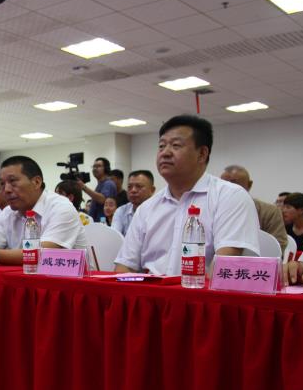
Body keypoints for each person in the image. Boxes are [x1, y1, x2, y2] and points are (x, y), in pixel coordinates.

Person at [114, 115, 259, 275]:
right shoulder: (147, 208)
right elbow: (125, 266)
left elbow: (224, 266)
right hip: (150, 289)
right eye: (161, 146)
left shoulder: (230, 197)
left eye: (176, 145)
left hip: (201, 290)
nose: (165, 153)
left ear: (202, 154)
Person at [0, 156, 87, 265]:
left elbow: (43, 255)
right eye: (3, 184)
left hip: (69, 284)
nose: (6, 190)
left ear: (36, 182)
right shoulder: (8, 213)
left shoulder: (61, 207)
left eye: (12, 181)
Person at [220, 165, 288, 252]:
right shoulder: (212, 209)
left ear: (249, 184)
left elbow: (279, 244)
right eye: (223, 184)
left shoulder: (270, 211)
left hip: (257, 258)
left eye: (234, 183)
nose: (229, 188)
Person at [111, 170, 156, 237]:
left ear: (152, 190)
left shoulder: (160, 211)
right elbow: (114, 237)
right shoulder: (121, 211)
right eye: (129, 187)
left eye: (139, 186)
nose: (133, 190)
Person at [77, 157, 116, 221]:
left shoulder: (108, 183)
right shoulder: (100, 184)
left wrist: (84, 187)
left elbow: (102, 199)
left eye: (98, 166)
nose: (95, 168)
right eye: (94, 166)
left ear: (106, 168)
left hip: (103, 223)